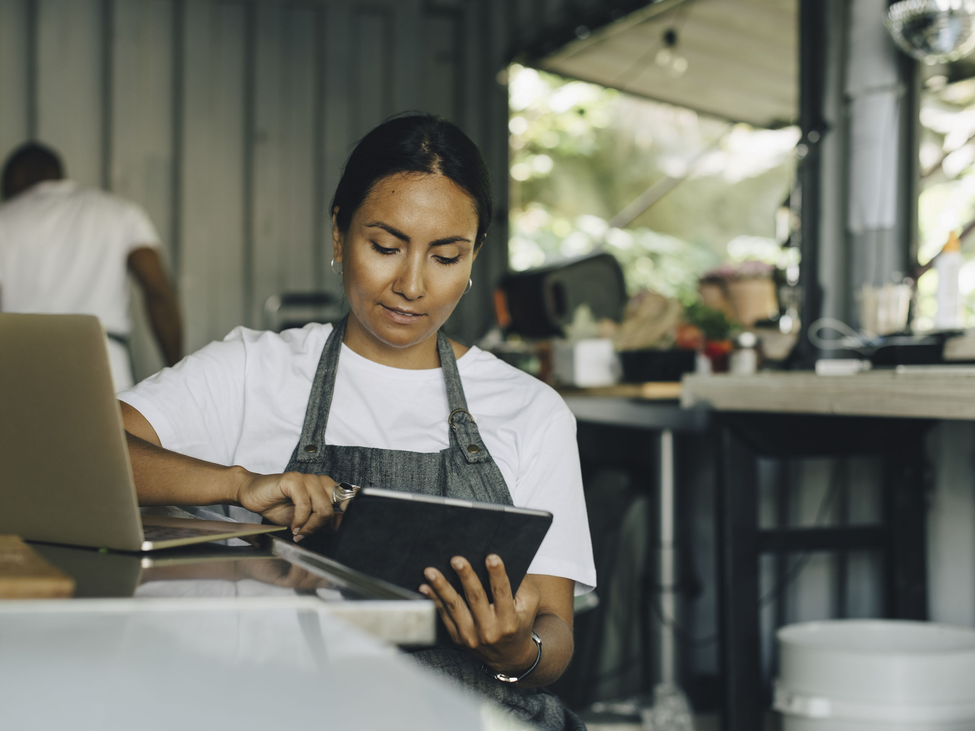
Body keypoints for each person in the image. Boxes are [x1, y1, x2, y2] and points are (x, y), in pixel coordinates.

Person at [116, 114, 596, 730]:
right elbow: (80, 453)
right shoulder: (252, 371)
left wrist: (514, 653)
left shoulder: (529, 410)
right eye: (386, 247)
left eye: (447, 256)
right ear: (339, 234)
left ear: (474, 256)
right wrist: (236, 484)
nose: (412, 285)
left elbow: (553, 641)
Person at [0, 142, 183, 390]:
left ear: (17, 177)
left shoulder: (5, 219)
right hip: (103, 364)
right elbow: (158, 292)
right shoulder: (120, 212)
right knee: (103, 429)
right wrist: (177, 373)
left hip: (21, 367)